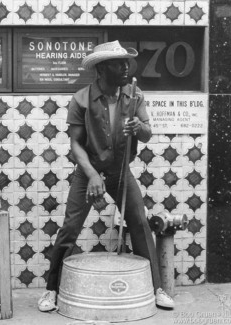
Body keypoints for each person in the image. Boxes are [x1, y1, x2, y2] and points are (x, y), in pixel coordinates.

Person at [37, 40, 174, 312]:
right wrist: (92, 176)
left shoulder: (134, 94)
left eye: (126, 62)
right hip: (88, 171)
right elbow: (76, 144)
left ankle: (155, 288)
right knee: (70, 228)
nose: (125, 67)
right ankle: (51, 290)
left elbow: (147, 133)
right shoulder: (81, 99)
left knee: (139, 221)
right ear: (101, 69)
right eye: (117, 63)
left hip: (120, 171)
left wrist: (139, 127)